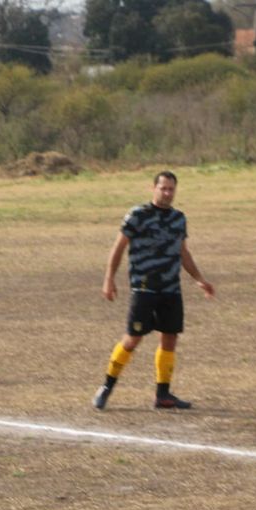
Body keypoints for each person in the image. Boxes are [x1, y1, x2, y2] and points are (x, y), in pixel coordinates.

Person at [93, 170, 216, 411]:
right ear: (154, 189)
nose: (167, 193)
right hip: (144, 287)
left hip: (171, 289)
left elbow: (183, 252)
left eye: (171, 189)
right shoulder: (137, 215)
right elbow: (118, 248)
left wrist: (199, 279)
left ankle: (163, 394)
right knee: (132, 339)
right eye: (163, 188)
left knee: (170, 338)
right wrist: (109, 279)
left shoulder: (178, 218)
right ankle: (107, 386)